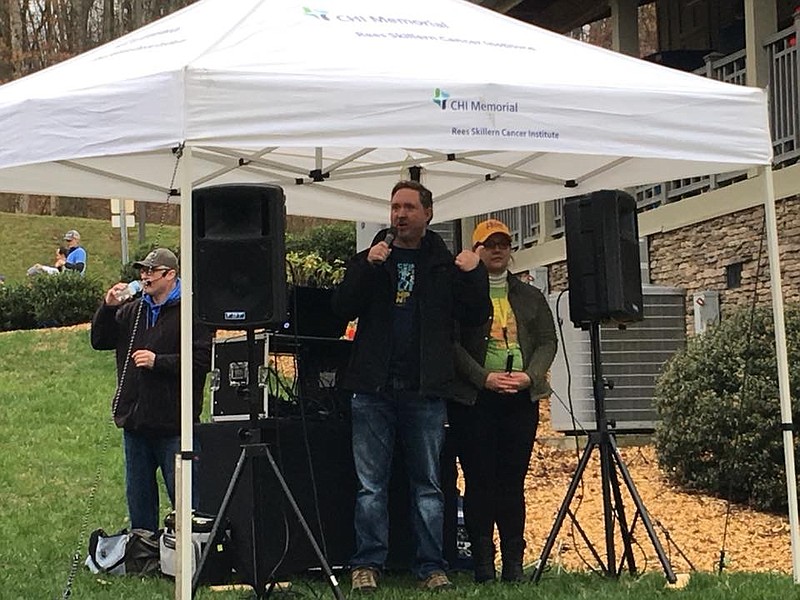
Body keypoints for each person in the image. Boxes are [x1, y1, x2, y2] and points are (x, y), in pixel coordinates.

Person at [332, 180, 491, 593]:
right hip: (373, 389)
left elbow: (476, 315)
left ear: (427, 214)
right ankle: (366, 563)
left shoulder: (442, 264)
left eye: (408, 208)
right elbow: (342, 307)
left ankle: (431, 566)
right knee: (370, 486)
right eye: (394, 207)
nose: (400, 215)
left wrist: (475, 276)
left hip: (424, 392)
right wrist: (368, 266)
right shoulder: (370, 259)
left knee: (429, 486)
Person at [449, 218, 557, 583]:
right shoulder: (461, 292)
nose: (497, 250)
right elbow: (451, 344)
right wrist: (483, 377)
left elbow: (547, 341)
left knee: (512, 482)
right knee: (479, 481)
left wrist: (531, 375)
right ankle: (482, 562)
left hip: (520, 400)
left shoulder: (530, 296)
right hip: (475, 400)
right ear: (475, 251)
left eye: (503, 244)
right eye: (488, 244)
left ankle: (513, 561)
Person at [90, 248, 212, 532]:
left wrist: (158, 362)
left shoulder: (192, 312)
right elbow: (100, 340)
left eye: (151, 272)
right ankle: (143, 549)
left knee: (186, 496)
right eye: (142, 271)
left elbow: (201, 360)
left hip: (174, 423)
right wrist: (107, 308)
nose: (144, 277)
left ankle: (188, 549)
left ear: (170, 275)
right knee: (139, 496)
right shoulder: (133, 310)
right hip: (136, 420)